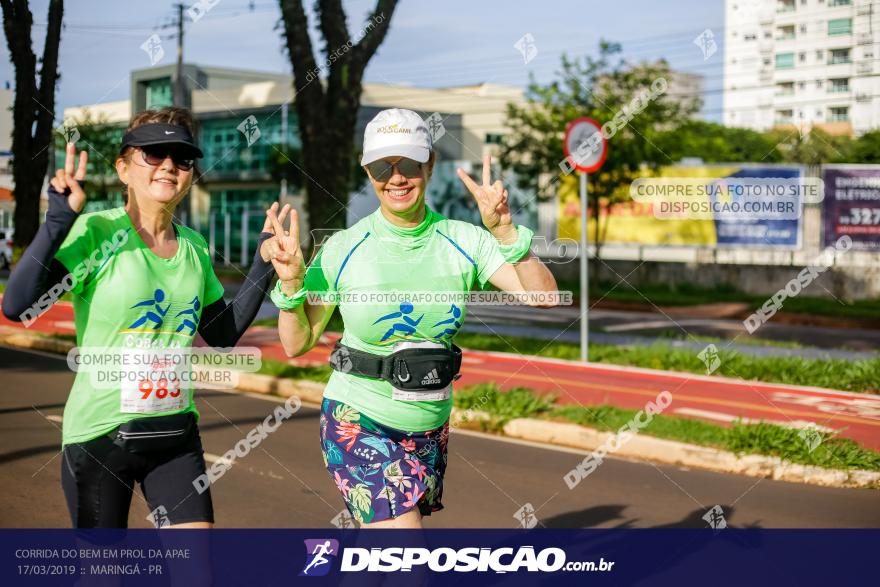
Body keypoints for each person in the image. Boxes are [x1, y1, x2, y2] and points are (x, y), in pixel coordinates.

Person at [266, 108, 558, 528]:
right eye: (384, 165)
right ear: (368, 170)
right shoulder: (343, 247)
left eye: (409, 164)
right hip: (358, 421)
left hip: (429, 428)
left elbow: (544, 297)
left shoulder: (465, 240)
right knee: (406, 557)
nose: (396, 177)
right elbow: (296, 343)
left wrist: (507, 234)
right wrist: (292, 289)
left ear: (430, 165)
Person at [2, 107, 286, 528]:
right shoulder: (97, 232)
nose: (169, 165)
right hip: (100, 436)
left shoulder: (194, 247)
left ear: (190, 173)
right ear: (123, 167)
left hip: (175, 436)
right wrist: (59, 221)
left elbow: (221, 334)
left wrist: (263, 264)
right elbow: (17, 305)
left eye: (182, 157)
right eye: (153, 154)